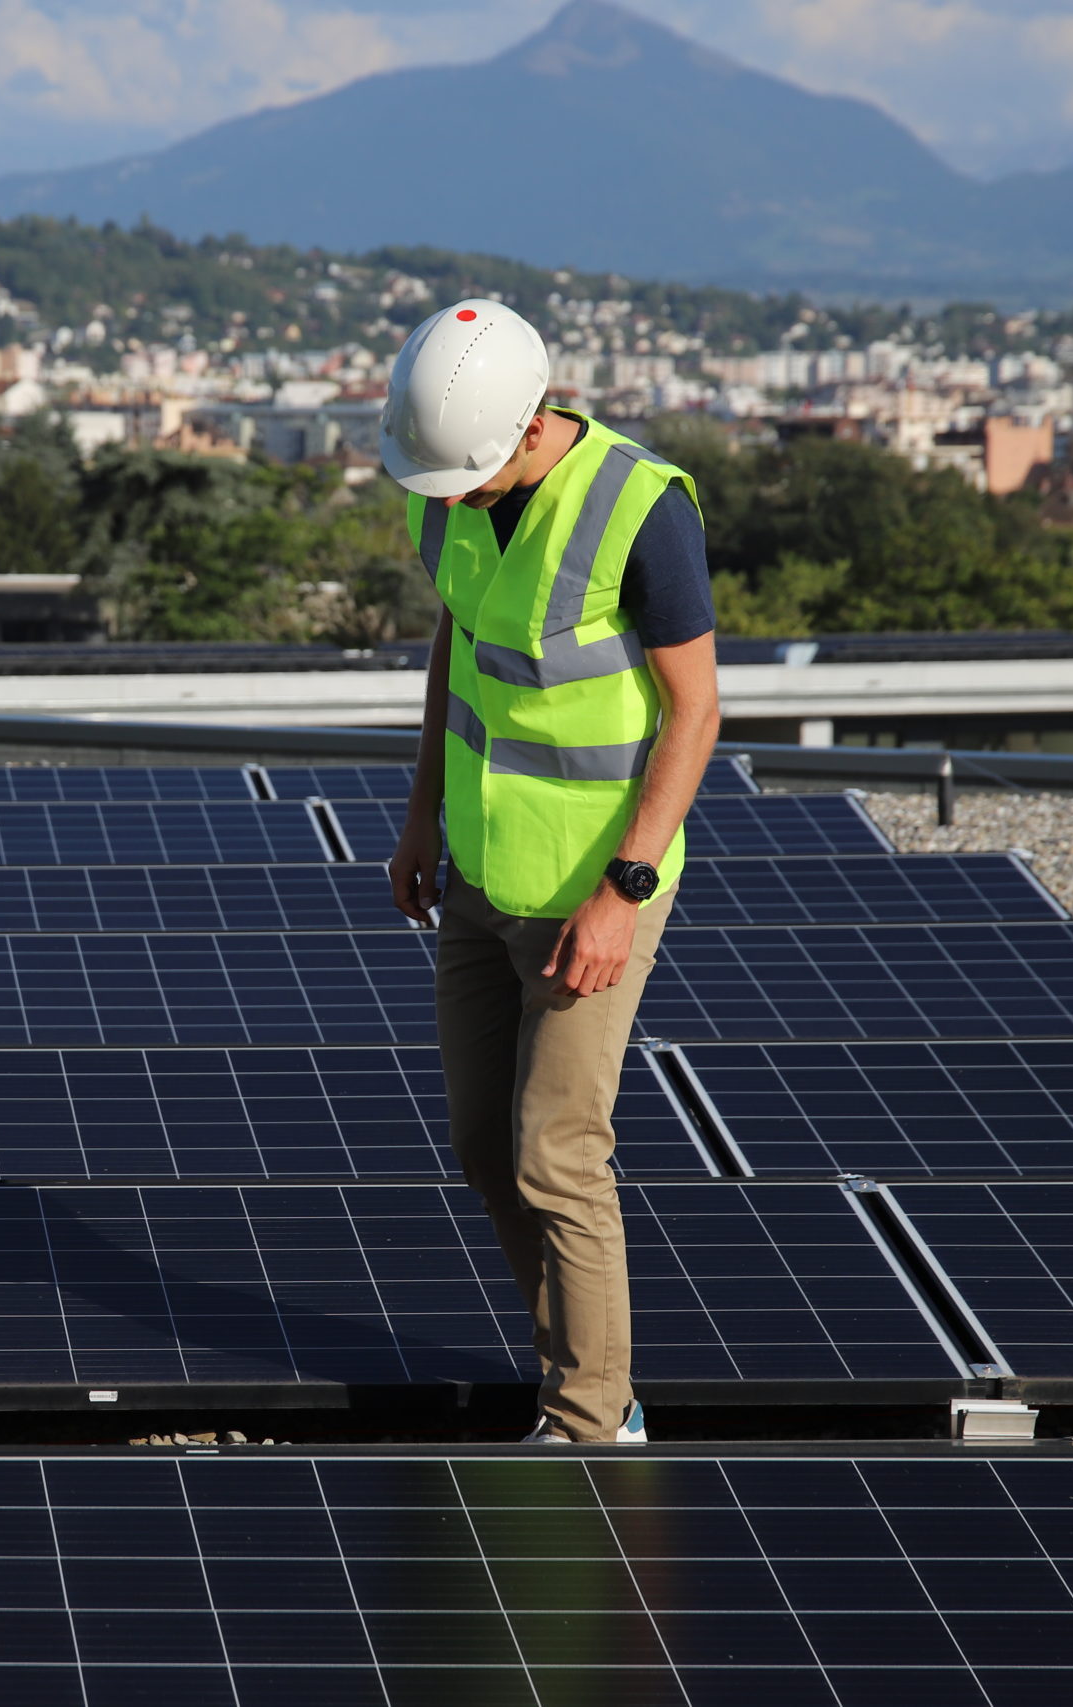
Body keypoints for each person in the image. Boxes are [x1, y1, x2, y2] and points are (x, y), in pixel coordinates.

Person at [381, 299, 721, 1446]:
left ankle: (589, 1421)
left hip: (594, 886)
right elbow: (459, 647)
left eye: (465, 478)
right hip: (479, 869)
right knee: (485, 1146)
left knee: (557, 1154)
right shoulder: (447, 490)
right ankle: (575, 1363)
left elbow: (694, 712)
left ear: (531, 428)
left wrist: (621, 891)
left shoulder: (639, 510)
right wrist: (421, 812)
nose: (447, 499)